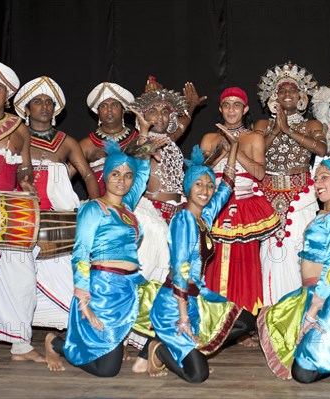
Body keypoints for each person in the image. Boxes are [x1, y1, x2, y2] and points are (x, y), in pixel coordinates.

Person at [43, 119, 162, 375]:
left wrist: (142, 133)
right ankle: (57, 343)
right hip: (102, 291)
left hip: (130, 288)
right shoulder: (92, 208)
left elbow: (142, 172)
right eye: (115, 174)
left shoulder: (127, 205)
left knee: (166, 305)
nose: (122, 180)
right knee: (107, 370)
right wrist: (84, 301)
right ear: (106, 175)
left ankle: (142, 350)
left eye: (126, 175)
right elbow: (81, 254)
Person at [147, 140, 256, 383]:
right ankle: (160, 349)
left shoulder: (203, 216)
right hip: (175, 305)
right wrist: (183, 317)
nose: (206, 190)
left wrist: (235, 148)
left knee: (246, 320)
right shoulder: (184, 218)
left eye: (209, 184)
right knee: (198, 375)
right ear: (187, 187)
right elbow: (180, 269)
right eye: (199, 184)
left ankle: (194, 349)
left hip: (197, 299)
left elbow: (225, 188)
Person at [257, 157, 330, 383]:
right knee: (278, 326)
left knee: (302, 375)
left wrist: (314, 309)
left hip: (329, 295)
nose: (317, 182)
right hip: (311, 292)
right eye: (316, 178)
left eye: (325, 177)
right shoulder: (323, 214)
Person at [128, 78, 205, 367]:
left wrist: (193, 107)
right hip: (150, 213)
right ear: (142, 117)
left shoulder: (170, 140)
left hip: (175, 213)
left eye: (165, 113)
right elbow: (134, 159)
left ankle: (152, 342)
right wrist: (143, 136)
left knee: (173, 278)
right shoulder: (141, 142)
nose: (160, 117)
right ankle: (136, 340)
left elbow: (181, 124)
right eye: (153, 112)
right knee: (151, 278)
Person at [13, 76, 100, 331]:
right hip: (20, 214)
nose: (43, 106)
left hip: (56, 219)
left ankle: (60, 325)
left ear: (55, 109)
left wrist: (97, 208)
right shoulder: (15, 136)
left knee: (64, 275)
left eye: (48, 102)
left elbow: (88, 176)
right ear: (26, 110)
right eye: (37, 102)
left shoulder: (66, 142)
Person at [200, 87, 280, 319]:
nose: (231, 110)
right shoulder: (209, 138)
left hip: (245, 207)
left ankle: (243, 322)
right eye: (227, 105)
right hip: (215, 207)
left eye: (237, 105)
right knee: (211, 261)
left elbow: (260, 174)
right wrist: (220, 152)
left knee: (244, 263)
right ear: (220, 109)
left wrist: (236, 149)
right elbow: (201, 171)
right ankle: (213, 318)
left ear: (245, 109)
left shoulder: (254, 137)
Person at [255, 62, 327, 305]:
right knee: (271, 254)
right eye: (281, 90)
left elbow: (321, 148)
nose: (287, 94)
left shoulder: (312, 125)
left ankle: (304, 312)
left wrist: (288, 129)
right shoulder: (264, 125)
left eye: (292, 90)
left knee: (302, 249)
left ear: (302, 97)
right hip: (268, 194)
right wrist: (276, 130)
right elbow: (256, 154)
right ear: (274, 97)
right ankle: (272, 312)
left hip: (301, 195)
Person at [0, 60, 43, 362]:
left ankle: (21, 343)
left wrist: (26, 183)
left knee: (21, 276)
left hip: (7, 211)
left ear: (7, 95)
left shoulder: (20, 128)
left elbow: (25, 169)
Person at [78, 82, 137, 194]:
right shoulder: (87, 145)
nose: (109, 110)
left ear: (123, 110)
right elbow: (64, 177)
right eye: (104, 106)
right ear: (98, 112)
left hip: (133, 207)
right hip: (99, 205)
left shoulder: (138, 140)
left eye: (114, 105)